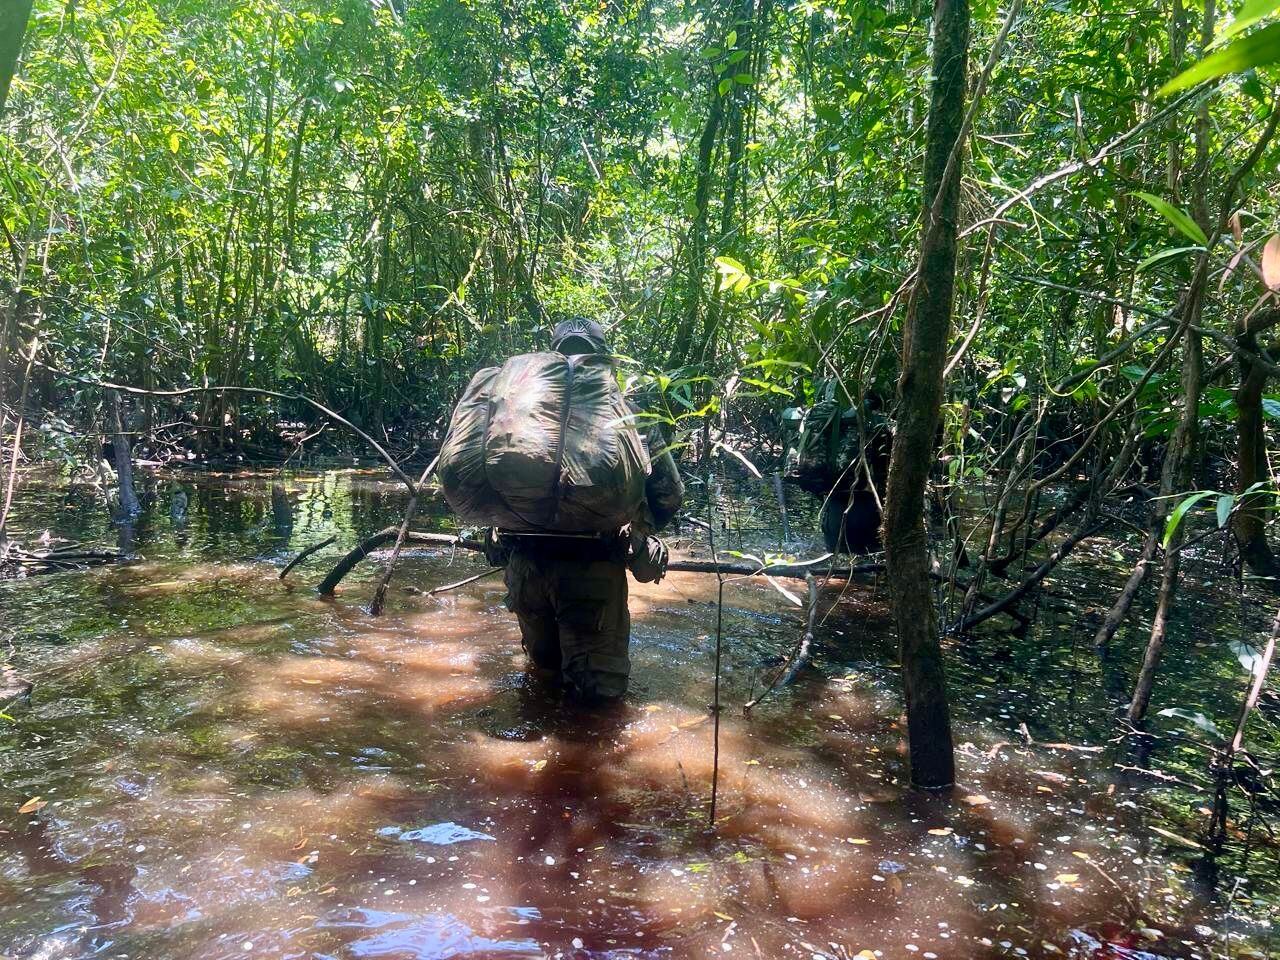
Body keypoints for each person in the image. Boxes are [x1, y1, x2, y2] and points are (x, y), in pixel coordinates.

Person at [483, 317, 684, 705]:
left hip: (525, 569)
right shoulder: (629, 414)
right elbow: (669, 494)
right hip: (592, 569)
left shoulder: (516, 415)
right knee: (599, 703)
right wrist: (638, 529)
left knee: (542, 680)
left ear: (553, 357)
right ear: (604, 357)